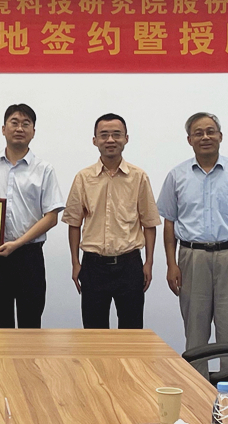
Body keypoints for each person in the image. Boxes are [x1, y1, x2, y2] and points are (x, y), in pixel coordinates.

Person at [157, 112, 228, 376]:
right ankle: (197, 391)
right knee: (195, 331)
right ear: (189, 140)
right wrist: (171, 264)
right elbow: (169, 223)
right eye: (198, 133)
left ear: (220, 136)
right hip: (192, 258)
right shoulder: (176, 175)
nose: (205, 137)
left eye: (210, 131)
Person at [0, 104, 64, 329]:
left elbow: (51, 217)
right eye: (14, 123)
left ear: (33, 131)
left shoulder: (44, 169)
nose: (19, 128)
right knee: (0, 324)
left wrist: (18, 243)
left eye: (25, 124)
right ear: (3, 129)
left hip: (29, 257)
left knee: (30, 324)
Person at [63, 113, 161, 329]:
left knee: (132, 331)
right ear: (95, 140)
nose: (110, 140)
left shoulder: (139, 177)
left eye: (116, 134)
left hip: (129, 264)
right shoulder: (83, 178)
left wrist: (149, 262)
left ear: (126, 138)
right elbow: (74, 223)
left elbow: (149, 223)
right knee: (94, 333)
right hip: (93, 266)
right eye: (104, 135)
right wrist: (75, 262)